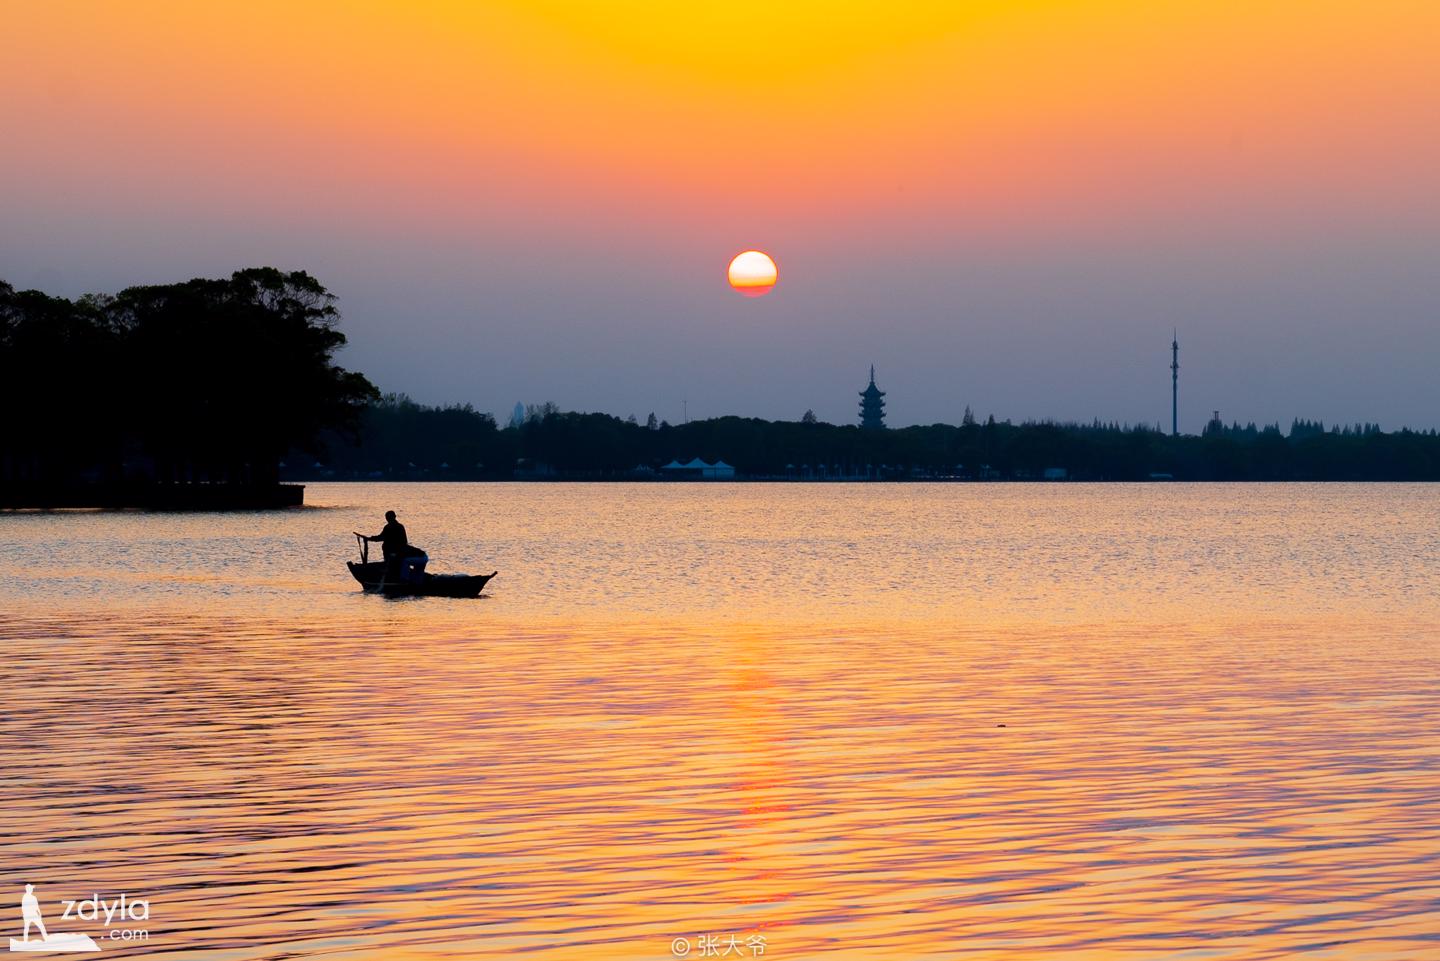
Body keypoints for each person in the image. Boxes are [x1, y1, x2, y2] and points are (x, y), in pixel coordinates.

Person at [356, 511, 428, 584]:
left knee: (403, 564)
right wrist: (369, 538)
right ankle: (412, 583)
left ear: (394, 517)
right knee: (414, 576)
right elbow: (381, 537)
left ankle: (404, 582)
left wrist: (395, 553)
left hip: (412, 556)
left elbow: (403, 542)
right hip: (414, 556)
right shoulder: (388, 527)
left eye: (389, 518)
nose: (388, 520)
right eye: (387, 518)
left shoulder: (399, 528)